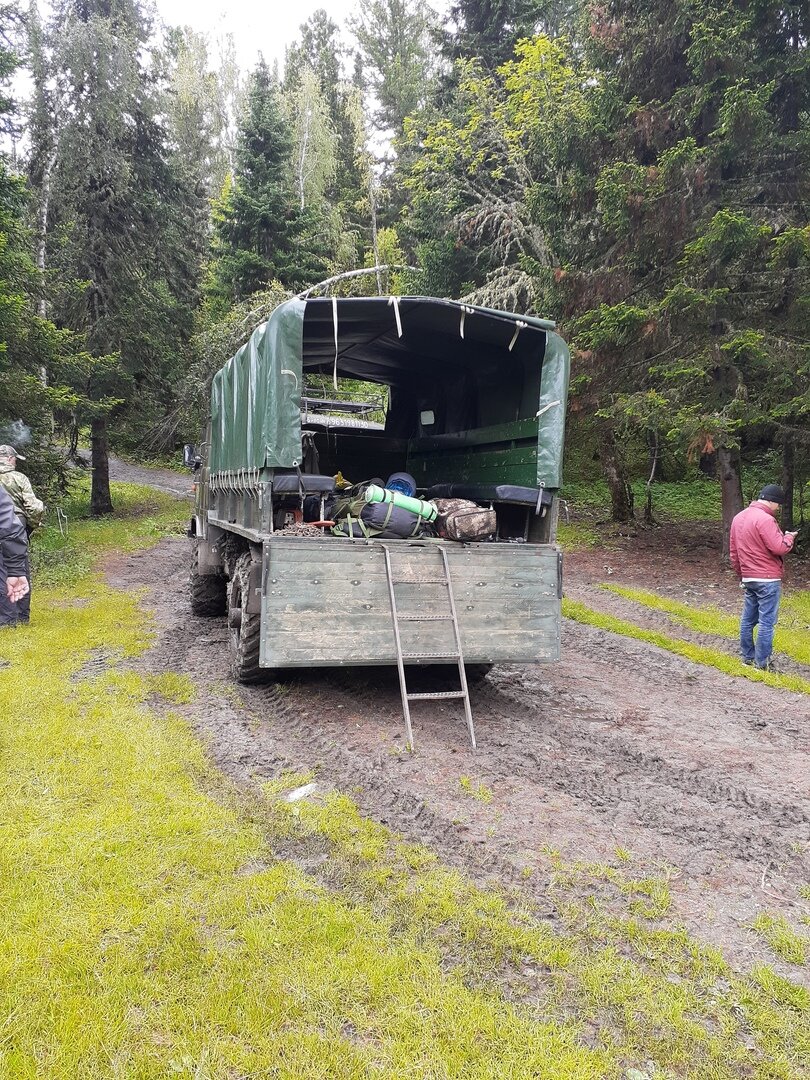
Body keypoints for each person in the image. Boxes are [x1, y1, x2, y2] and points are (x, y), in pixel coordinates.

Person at [729, 484, 798, 671]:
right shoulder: (766, 519)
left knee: (747, 620)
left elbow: (734, 553)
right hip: (768, 579)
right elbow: (779, 548)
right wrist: (789, 537)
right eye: (778, 504)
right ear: (771, 501)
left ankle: (747, 657)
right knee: (767, 622)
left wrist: (741, 575)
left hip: (748, 577)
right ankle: (763, 663)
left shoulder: (738, 518)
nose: (778, 508)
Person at [0, 444, 44, 625]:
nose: (16, 462)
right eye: (15, 459)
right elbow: (34, 507)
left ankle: (6, 620)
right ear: (10, 459)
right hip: (16, 525)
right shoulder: (19, 478)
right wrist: (30, 527)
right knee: (19, 569)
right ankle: (21, 617)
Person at [0, 486, 29, 627]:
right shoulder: (19, 478)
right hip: (15, 522)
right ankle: (17, 618)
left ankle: (10, 619)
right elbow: (33, 505)